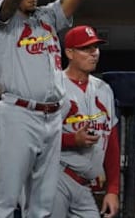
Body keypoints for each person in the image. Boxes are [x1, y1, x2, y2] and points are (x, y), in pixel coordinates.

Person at [0, 0, 102, 217]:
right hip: (19, 115)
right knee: (7, 200)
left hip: (52, 117)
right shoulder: (0, 18)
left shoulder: (47, 17)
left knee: (42, 205)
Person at [52, 25, 120, 218]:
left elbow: (112, 142)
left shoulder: (104, 90)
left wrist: (113, 189)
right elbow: (37, 138)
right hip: (56, 177)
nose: (94, 53)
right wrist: (73, 140)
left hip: (84, 186)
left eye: (95, 48)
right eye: (86, 48)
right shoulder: (53, 87)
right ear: (70, 53)